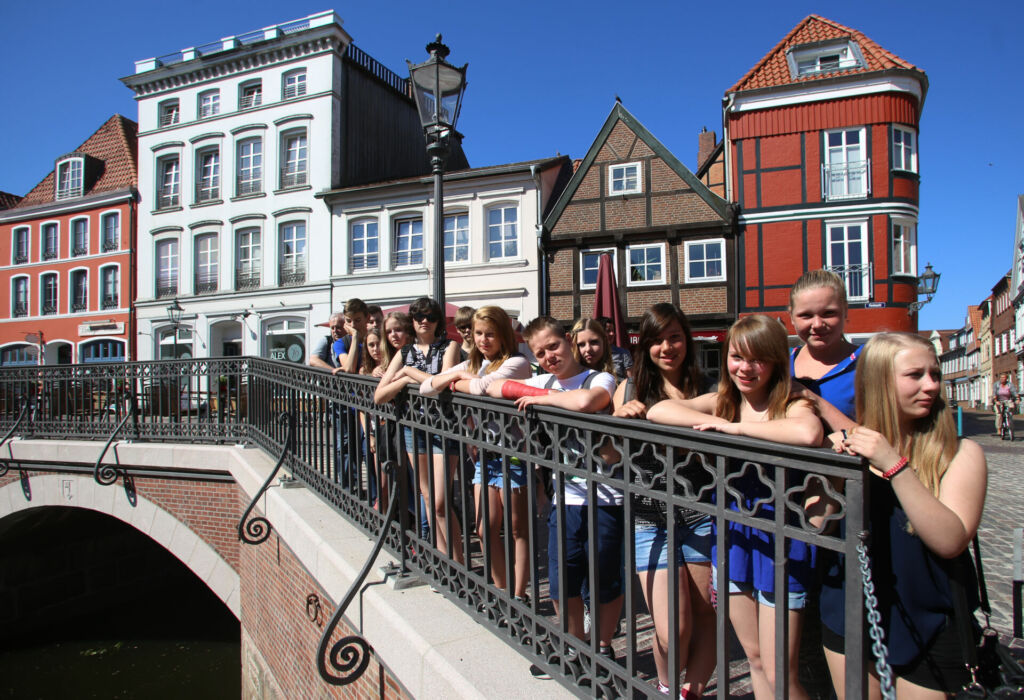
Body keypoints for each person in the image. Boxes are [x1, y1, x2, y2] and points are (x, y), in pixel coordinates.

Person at [647, 315, 824, 700]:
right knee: (755, 657)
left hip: (780, 543)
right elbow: (658, 412)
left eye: (757, 359)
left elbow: (808, 433)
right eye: (737, 357)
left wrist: (735, 430)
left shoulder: (792, 401)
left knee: (781, 671)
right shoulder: (725, 401)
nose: (745, 368)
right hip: (734, 539)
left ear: (777, 360)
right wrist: (716, 421)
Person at [828, 332, 987, 698]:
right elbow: (817, 522)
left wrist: (895, 467)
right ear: (878, 381)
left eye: (935, 374)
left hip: (929, 622)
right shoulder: (852, 447)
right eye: (915, 375)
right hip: (851, 611)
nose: (931, 385)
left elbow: (950, 540)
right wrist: (833, 471)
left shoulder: (960, 453)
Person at [487, 316, 622, 659]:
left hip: (606, 496)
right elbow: (491, 387)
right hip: (565, 497)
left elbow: (586, 402)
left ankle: (603, 648)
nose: (549, 356)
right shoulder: (543, 379)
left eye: (554, 346)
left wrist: (541, 398)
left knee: (605, 581)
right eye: (540, 352)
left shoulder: (599, 376)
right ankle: (576, 647)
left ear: (569, 342)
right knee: (562, 585)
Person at [611, 303, 715, 697]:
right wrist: (619, 422)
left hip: (703, 511)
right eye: (657, 340)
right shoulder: (631, 387)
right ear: (645, 346)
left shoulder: (707, 386)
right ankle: (667, 685)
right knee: (673, 628)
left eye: (675, 337)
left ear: (687, 339)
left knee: (707, 615)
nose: (667, 347)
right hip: (650, 516)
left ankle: (692, 692)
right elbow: (606, 455)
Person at [421, 306, 532, 598]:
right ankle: (501, 590)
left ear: (503, 336)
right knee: (484, 528)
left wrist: (458, 382)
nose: (483, 340)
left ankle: (519, 595)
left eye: (490, 334)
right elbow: (426, 387)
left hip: (515, 454)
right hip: (485, 455)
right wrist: (452, 379)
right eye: (479, 333)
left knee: (518, 529)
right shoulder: (474, 363)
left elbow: (484, 387)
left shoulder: (517, 363)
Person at [374, 297, 463, 562]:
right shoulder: (404, 352)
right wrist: (402, 381)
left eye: (430, 317)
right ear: (412, 321)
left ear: (438, 321)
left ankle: (460, 567)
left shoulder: (450, 346)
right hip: (415, 428)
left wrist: (408, 373)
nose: (424, 321)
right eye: (419, 317)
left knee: (439, 502)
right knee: (427, 499)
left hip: (444, 428)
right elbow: (379, 396)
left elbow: (441, 383)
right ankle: (444, 561)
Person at [789, 270, 860, 432]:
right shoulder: (780, 364)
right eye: (806, 315)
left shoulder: (870, 365)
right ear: (791, 316)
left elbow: (880, 438)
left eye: (828, 313)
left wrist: (812, 399)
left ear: (845, 311)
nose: (818, 324)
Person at [334, 298, 369, 374]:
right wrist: (355, 336)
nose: (353, 325)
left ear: (367, 318)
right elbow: (349, 369)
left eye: (357, 320)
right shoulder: (341, 343)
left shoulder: (376, 339)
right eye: (349, 321)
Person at [600, 315, 634, 380]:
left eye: (613, 330)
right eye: (608, 331)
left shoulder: (623, 353)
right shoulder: (592, 354)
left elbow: (630, 380)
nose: (612, 333)